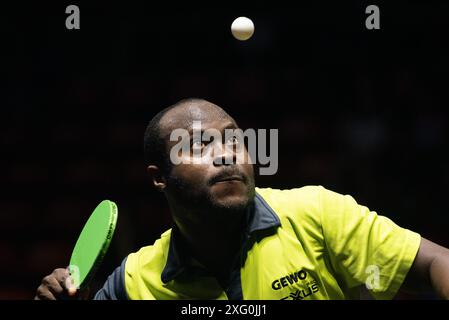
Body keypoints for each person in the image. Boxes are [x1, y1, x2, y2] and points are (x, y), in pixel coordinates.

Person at [35, 98, 449, 300]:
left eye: (234, 140)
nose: (226, 152)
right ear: (159, 179)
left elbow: (435, 261)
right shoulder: (134, 282)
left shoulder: (317, 215)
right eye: (198, 145)